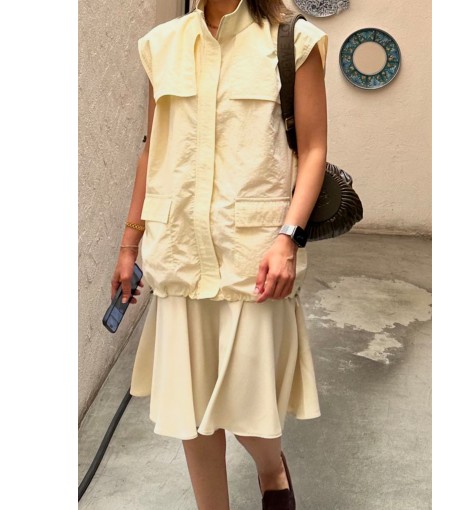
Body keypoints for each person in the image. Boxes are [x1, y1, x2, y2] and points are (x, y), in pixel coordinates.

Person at [110, 0, 328, 508]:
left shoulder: (294, 41)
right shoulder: (161, 45)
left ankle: (271, 470)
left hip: (254, 257)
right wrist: (128, 245)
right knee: (191, 409)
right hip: (180, 253)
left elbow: (314, 148)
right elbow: (152, 149)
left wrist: (288, 238)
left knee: (251, 404)